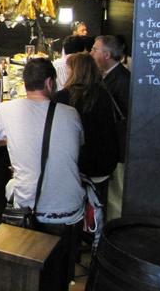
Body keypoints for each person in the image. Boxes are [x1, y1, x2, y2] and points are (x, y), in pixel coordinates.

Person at [0, 58, 84, 290]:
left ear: (25, 83)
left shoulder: (7, 109)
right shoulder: (71, 113)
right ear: (50, 83)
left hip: (29, 212)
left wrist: (5, 141)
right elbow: (72, 150)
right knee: (58, 275)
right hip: (69, 213)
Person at [55, 52, 119, 209]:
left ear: (74, 71)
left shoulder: (61, 98)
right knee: (99, 204)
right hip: (105, 162)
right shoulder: (104, 95)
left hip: (76, 164)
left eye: (68, 69)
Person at [91, 35, 130, 221]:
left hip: (119, 149)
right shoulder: (110, 76)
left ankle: (115, 230)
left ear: (106, 54)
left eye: (94, 50)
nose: (91, 53)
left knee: (117, 195)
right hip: (111, 147)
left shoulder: (123, 80)